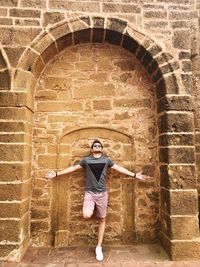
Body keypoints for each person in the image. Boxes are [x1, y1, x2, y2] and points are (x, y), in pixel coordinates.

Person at [45, 139, 151, 261]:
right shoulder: (86, 160)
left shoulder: (106, 160)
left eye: (99, 145)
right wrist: (57, 174)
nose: (97, 147)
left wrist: (134, 175)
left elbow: (120, 168)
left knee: (102, 220)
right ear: (91, 149)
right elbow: (73, 169)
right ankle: (93, 209)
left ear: (101, 149)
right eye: (94, 146)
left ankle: (98, 247)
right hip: (89, 193)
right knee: (86, 215)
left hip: (102, 194)